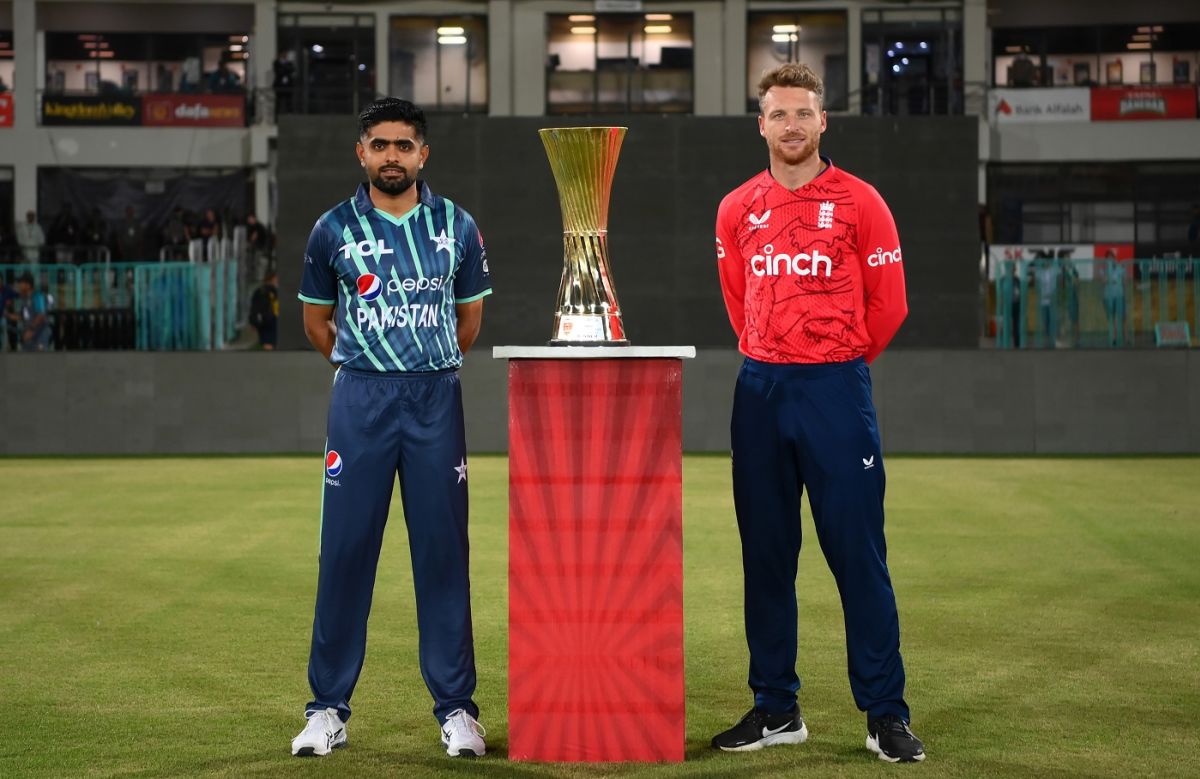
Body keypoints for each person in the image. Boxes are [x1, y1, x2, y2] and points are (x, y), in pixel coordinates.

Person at [711, 63, 923, 763]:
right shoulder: (737, 207)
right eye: (779, 114)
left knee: (859, 558)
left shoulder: (863, 202)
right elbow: (739, 296)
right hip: (761, 390)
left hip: (835, 390)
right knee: (766, 557)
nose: (791, 125)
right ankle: (776, 707)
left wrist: (837, 361)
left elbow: (888, 306)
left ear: (822, 120)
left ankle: (885, 713)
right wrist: (779, 354)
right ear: (762, 124)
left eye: (803, 113)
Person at [291, 97, 493, 759]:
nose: (392, 156)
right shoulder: (333, 230)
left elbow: (469, 320)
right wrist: (371, 364)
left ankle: (458, 709)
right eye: (380, 144)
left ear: (423, 153)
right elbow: (318, 323)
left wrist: (420, 362)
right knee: (345, 554)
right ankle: (326, 708)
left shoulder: (456, 225)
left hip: (436, 399)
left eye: (404, 145)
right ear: (362, 152)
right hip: (362, 401)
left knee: (443, 553)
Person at [5, 272, 52, 351]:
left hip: (40, 334)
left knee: (40, 359)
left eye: (21, 283)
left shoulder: (37, 296)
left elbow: (41, 315)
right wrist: (7, 315)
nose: (19, 285)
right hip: (29, 337)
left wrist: (31, 329)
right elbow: (23, 316)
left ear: (28, 285)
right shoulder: (25, 299)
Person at [248, 271, 278, 349]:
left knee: (268, 341)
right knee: (269, 341)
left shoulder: (260, 291)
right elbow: (257, 307)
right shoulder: (269, 291)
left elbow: (254, 307)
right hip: (269, 319)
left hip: (265, 319)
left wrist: (253, 321)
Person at [1102, 250, 1126, 346]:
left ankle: (1123, 337)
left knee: (1121, 317)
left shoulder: (1120, 268)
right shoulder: (1103, 269)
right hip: (1108, 296)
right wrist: (1110, 278)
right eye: (1108, 258)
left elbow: (1124, 281)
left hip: (1119, 295)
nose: (1110, 260)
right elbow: (1104, 280)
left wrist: (1115, 281)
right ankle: (1113, 337)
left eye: (1112, 258)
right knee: (1111, 317)